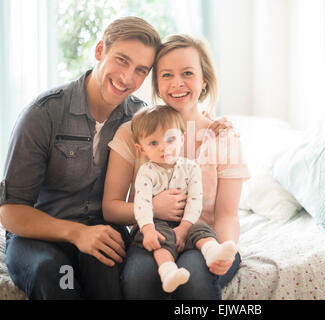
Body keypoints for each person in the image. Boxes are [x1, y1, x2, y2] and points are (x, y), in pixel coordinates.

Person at [0, 16, 161, 299]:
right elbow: (10, 211)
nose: (127, 78)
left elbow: (172, 145)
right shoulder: (43, 113)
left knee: (109, 271)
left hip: (101, 231)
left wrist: (205, 125)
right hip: (38, 234)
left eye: (140, 70)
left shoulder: (139, 118)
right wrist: (76, 233)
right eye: (121, 60)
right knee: (51, 271)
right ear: (100, 51)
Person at [102, 34, 250, 299]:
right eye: (166, 75)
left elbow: (227, 215)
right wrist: (153, 208)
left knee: (194, 278)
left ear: (204, 80)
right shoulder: (131, 133)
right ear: (157, 82)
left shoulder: (224, 137)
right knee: (139, 279)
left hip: (206, 241)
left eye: (188, 73)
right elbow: (111, 207)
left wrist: (226, 249)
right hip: (151, 236)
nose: (177, 83)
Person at [129, 105, 238, 293]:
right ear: (141, 149)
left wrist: (185, 228)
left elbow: (195, 200)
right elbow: (142, 204)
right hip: (156, 225)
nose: (164, 147)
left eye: (170, 139)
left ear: (182, 138)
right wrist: (147, 229)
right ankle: (168, 270)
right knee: (160, 238)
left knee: (201, 229)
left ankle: (212, 252)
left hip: (187, 224)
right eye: (153, 143)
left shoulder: (191, 168)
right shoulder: (146, 172)